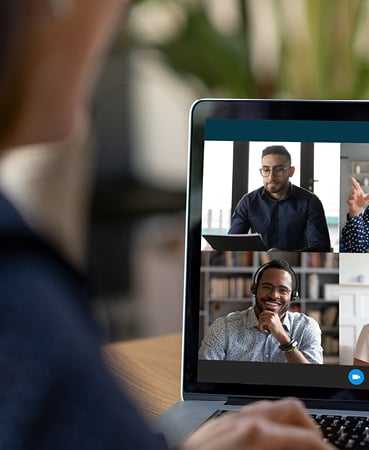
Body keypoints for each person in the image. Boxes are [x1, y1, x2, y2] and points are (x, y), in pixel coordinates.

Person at [0, 2, 330, 449]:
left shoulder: (306, 310)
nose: (111, 15)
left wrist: (281, 338)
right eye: (265, 170)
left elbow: (317, 368)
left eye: (282, 292)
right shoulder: (21, 292)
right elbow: (232, 237)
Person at [200, 259, 323, 364]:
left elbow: (314, 381)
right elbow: (205, 378)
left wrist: (284, 338)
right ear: (254, 290)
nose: (274, 295)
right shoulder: (222, 327)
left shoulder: (307, 327)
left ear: (293, 297)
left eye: (283, 290)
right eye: (266, 287)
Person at [228, 145, 332, 252]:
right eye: (266, 169)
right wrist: (219, 250)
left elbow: (322, 247)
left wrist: (285, 254)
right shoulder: (248, 202)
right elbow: (232, 242)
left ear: (291, 171)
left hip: (296, 265)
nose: (271, 177)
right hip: (258, 264)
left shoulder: (310, 201)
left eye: (278, 170)